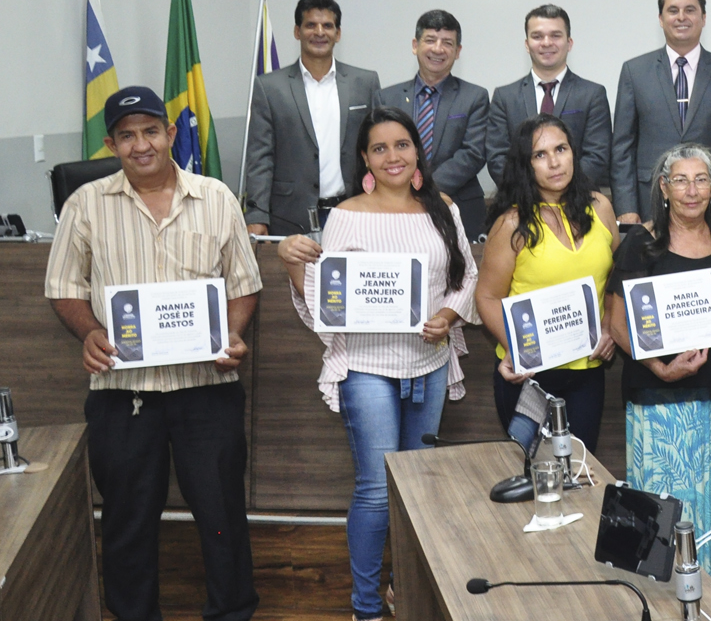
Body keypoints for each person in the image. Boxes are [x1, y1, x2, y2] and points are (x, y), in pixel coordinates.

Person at [45, 86, 262, 621]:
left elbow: (244, 284)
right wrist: (90, 332)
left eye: (150, 131)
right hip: (123, 394)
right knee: (127, 521)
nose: (140, 145)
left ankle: (231, 613)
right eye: (126, 135)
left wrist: (231, 333)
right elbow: (64, 287)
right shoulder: (85, 204)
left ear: (170, 133)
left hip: (206, 389)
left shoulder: (216, 197)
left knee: (222, 518)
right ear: (111, 144)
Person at [276, 106, 478, 620]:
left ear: (417, 152)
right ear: (365, 157)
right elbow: (327, 299)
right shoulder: (344, 215)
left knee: (417, 490)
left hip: (430, 363)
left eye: (402, 145)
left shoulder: (443, 209)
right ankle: (366, 607)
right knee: (375, 490)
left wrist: (450, 314)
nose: (393, 156)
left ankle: (403, 593)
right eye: (380, 148)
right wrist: (294, 268)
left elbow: (467, 276)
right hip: (366, 367)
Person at [605, 144, 711, 592]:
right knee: (664, 509)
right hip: (657, 399)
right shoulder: (640, 243)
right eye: (681, 180)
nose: (692, 190)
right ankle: (662, 598)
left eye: (702, 179)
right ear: (665, 189)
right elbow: (616, 325)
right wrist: (661, 368)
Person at [478, 114, 620, 452]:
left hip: (587, 369)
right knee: (536, 480)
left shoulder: (600, 207)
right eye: (540, 155)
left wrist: (610, 327)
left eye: (561, 149)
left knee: (581, 474)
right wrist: (515, 350)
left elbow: (618, 278)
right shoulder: (511, 223)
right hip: (530, 377)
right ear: (525, 165)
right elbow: (486, 296)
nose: (554, 162)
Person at [611, 0, 711, 224]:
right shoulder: (634, 72)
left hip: (707, 208)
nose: (681, 17)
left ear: (703, 18)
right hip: (649, 204)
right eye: (673, 10)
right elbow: (622, 148)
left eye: (690, 10)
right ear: (660, 18)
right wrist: (626, 207)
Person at [245, 0, 382, 235]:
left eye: (327, 26)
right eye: (311, 25)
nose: (319, 32)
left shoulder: (366, 82)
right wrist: (257, 215)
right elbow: (260, 157)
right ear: (297, 31)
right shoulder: (269, 88)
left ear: (337, 34)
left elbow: (379, 147)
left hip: (355, 211)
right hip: (290, 216)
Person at [376, 10, 490, 240]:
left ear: (457, 52)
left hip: (458, 208)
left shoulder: (475, 96)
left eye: (447, 43)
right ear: (415, 45)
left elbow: (473, 153)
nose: (438, 49)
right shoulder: (387, 98)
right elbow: (378, 151)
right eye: (430, 40)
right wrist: (404, 192)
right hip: (395, 210)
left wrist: (423, 189)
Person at [487, 4, 612, 189]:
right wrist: (533, 194)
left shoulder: (593, 94)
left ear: (569, 43)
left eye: (555, 35)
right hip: (521, 205)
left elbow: (597, 156)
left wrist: (561, 193)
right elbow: (497, 158)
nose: (546, 43)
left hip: (577, 205)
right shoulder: (504, 97)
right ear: (527, 44)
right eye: (537, 36)